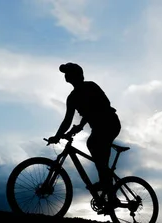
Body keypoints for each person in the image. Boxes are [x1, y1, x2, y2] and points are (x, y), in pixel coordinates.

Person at [47, 62, 121, 195]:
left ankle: (105, 182)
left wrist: (81, 125)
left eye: (68, 72)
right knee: (97, 152)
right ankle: (109, 192)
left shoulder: (90, 86)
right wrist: (58, 135)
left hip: (110, 123)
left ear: (76, 74)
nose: (66, 75)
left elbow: (105, 104)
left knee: (93, 143)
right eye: (65, 73)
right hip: (97, 127)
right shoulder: (72, 98)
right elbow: (67, 120)